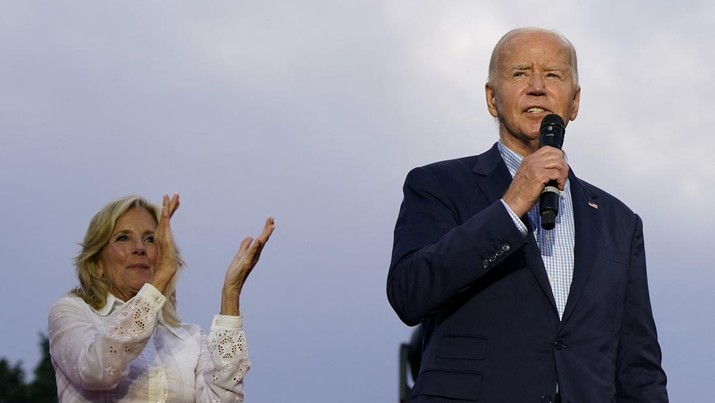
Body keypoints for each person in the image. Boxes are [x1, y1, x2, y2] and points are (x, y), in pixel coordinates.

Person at [387, 27, 668, 402]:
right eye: (520, 73)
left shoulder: (617, 220)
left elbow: (638, 367)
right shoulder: (438, 185)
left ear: (575, 103)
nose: (538, 87)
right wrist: (510, 207)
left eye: (553, 75)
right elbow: (410, 293)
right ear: (491, 98)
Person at [48, 194, 274, 402]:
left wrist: (231, 292)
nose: (139, 248)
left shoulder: (189, 339)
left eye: (150, 239)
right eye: (123, 238)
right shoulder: (72, 313)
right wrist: (161, 277)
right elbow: (98, 371)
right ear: (97, 264)